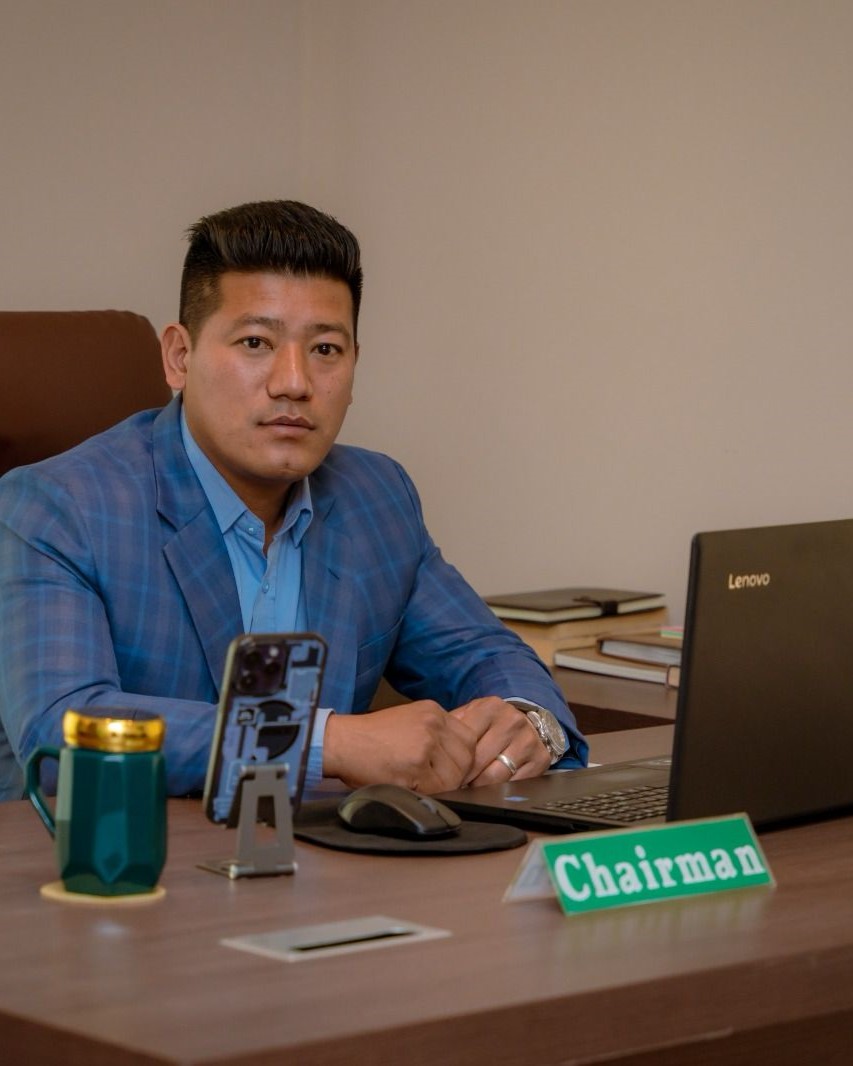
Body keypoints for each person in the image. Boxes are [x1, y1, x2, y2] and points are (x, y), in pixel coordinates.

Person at [0, 200, 587, 801]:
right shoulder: (59, 506)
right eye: (256, 342)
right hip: (119, 852)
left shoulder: (377, 496)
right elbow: (61, 732)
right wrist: (326, 743)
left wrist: (529, 721)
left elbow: (483, 652)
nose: (294, 383)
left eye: (325, 349)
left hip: (322, 853)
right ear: (179, 357)